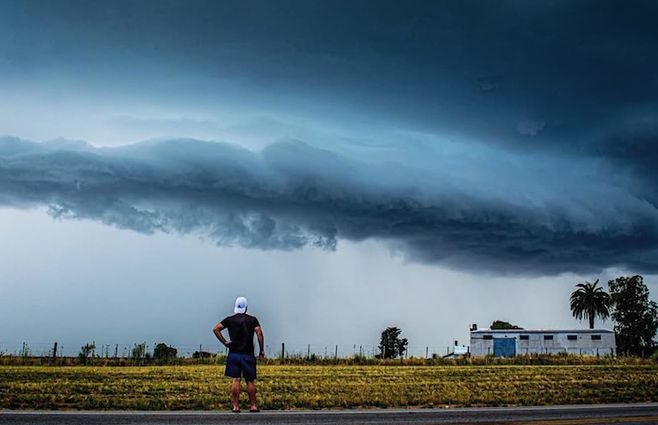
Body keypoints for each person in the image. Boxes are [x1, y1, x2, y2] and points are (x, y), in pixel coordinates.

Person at [212, 296, 265, 413]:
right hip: (248, 354)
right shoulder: (252, 320)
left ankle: (236, 406)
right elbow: (259, 334)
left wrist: (225, 342)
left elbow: (215, 329)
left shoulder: (229, 320)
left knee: (236, 380)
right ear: (246, 307)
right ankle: (253, 406)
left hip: (234, 353)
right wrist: (261, 350)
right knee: (250, 380)